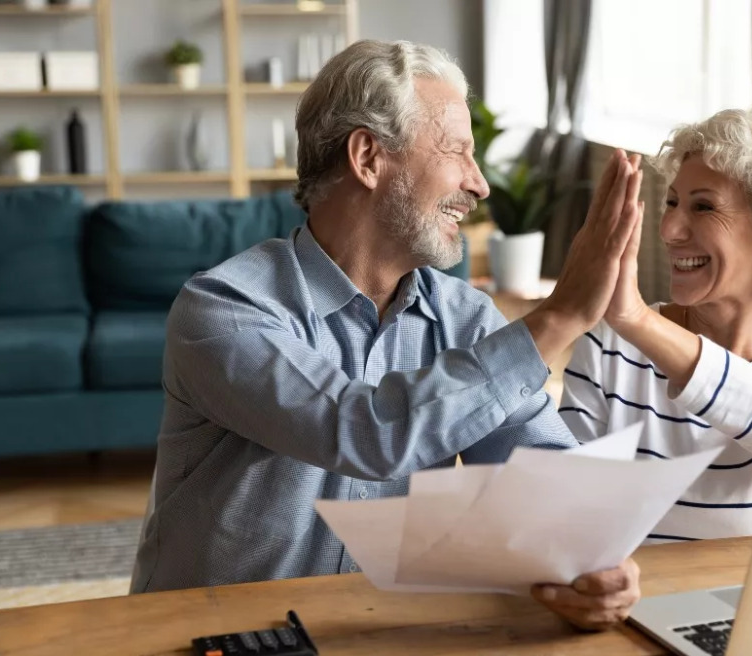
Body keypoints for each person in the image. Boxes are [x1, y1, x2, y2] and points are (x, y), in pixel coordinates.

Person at [130, 39, 645, 631]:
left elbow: (541, 471)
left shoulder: (465, 318)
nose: (479, 186)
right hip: (212, 637)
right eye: (458, 152)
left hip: (368, 632)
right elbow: (363, 432)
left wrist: (593, 555)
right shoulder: (223, 308)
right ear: (368, 157)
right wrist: (557, 318)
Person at [560, 102, 752, 543]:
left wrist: (637, 321)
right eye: (671, 202)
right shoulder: (612, 345)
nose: (670, 228)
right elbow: (566, 507)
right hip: (631, 601)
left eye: (704, 207)